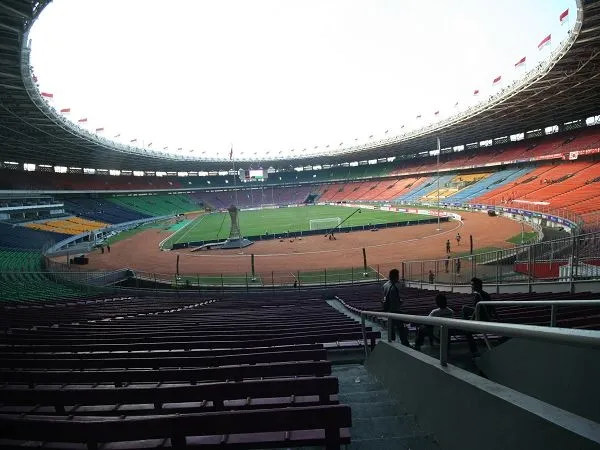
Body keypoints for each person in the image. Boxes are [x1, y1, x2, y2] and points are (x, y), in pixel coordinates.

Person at [462, 277, 495, 356]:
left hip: (482, 321)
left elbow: (477, 312)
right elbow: (492, 309)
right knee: (465, 308)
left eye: (472, 285)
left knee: (467, 331)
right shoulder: (486, 294)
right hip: (486, 319)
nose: (471, 286)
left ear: (477, 285)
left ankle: (474, 351)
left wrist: (470, 321)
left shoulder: (478, 295)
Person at [382, 268, 410, 346]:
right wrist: (400, 303)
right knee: (401, 328)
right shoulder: (394, 287)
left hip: (389, 311)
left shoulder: (385, 285)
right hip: (395, 311)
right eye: (397, 275)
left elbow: (384, 297)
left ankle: (392, 344)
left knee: (391, 330)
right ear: (395, 276)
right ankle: (405, 344)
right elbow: (395, 302)